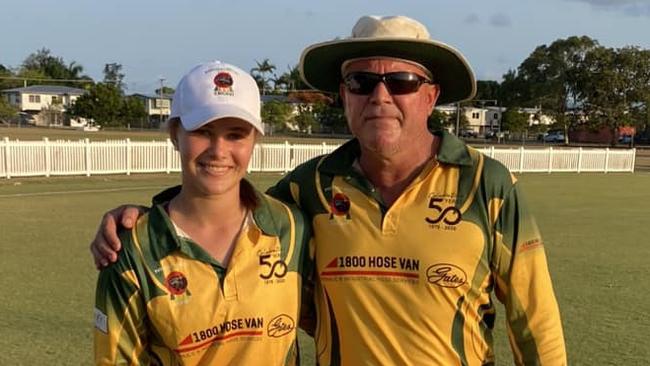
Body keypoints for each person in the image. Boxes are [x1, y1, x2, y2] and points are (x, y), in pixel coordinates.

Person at [91, 15, 566, 365]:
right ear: (343, 94)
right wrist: (145, 218)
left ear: (430, 95)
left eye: (401, 81)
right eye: (361, 81)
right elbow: (223, 206)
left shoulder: (488, 183)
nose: (380, 97)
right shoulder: (309, 188)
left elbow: (535, 319)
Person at [93, 61, 311, 365]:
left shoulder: (291, 227)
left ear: (254, 141)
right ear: (174, 134)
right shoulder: (132, 250)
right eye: (203, 132)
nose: (219, 150)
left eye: (236, 135)